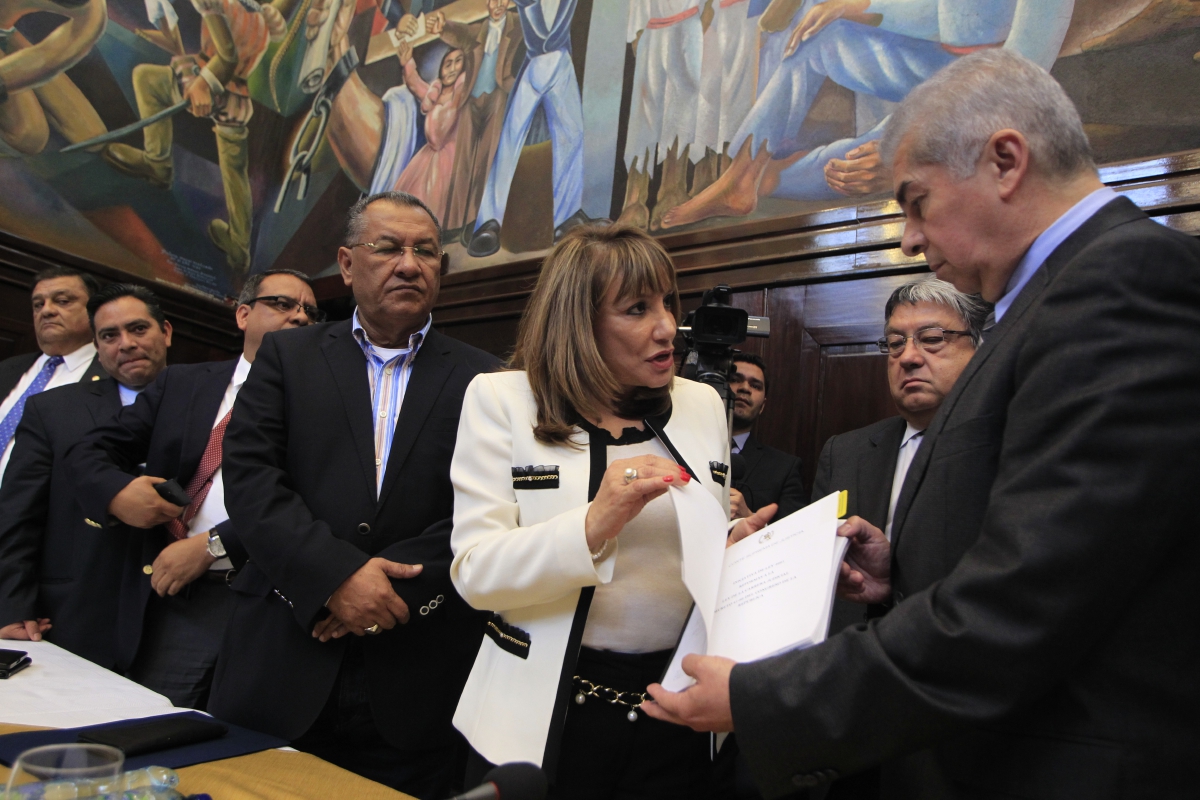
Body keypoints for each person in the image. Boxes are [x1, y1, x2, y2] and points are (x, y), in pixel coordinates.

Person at [643, 49, 1200, 798]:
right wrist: (898, 571)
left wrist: (763, 698)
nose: (905, 238)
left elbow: (1025, 600)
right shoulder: (1053, 299)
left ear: (1005, 161)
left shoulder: (1122, 284)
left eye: (915, 201)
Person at [449, 224, 773, 799]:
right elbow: (475, 573)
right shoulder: (500, 400)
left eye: (668, 303)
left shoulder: (702, 402)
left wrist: (731, 543)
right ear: (580, 323)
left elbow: (694, 541)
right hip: (540, 716)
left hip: (674, 709)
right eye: (636, 309)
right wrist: (592, 525)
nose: (668, 327)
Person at [212, 192, 499, 800]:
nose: (410, 264)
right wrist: (336, 579)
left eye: (425, 251)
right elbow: (251, 480)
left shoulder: (489, 379)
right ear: (347, 265)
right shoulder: (288, 358)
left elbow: (487, 508)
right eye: (388, 247)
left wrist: (386, 590)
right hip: (283, 652)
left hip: (416, 671)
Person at [66, 269, 320, 707]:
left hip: (254, 594)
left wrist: (214, 546)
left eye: (310, 312)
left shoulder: (324, 404)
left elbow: (315, 496)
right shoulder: (183, 383)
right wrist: (116, 494)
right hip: (154, 588)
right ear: (243, 314)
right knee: (135, 728)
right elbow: (89, 451)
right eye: (282, 304)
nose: (299, 317)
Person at [0, 284, 172, 668]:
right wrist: (11, 606)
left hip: (174, 615)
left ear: (167, 332)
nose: (125, 344)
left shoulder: (210, 401)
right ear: (97, 345)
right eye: (109, 336)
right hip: (73, 612)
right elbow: (18, 517)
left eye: (138, 329)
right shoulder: (53, 410)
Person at [101, 0, 292, 274]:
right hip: (235, 94)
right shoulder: (260, 16)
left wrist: (203, 84)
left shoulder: (220, 3)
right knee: (235, 169)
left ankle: (157, 162)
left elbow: (227, 56)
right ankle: (239, 245)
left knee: (147, 79)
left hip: (209, 79)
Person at [465, 0, 588, 257]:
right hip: (535, 63)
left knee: (572, 135)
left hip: (560, 61)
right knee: (511, 140)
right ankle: (488, 222)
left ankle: (566, 219)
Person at [0, 266, 104, 485]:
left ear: (95, 311)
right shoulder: (8, 368)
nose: (46, 311)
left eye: (63, 301)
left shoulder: (110, 381)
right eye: (38, 304)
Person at [728, 352, 805, 522]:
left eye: (755, 385)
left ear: (762, 406)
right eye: (735, 379)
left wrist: (749, 518)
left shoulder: (784, 468)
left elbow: (795, 535)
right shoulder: (684, 448)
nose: (745, 388)